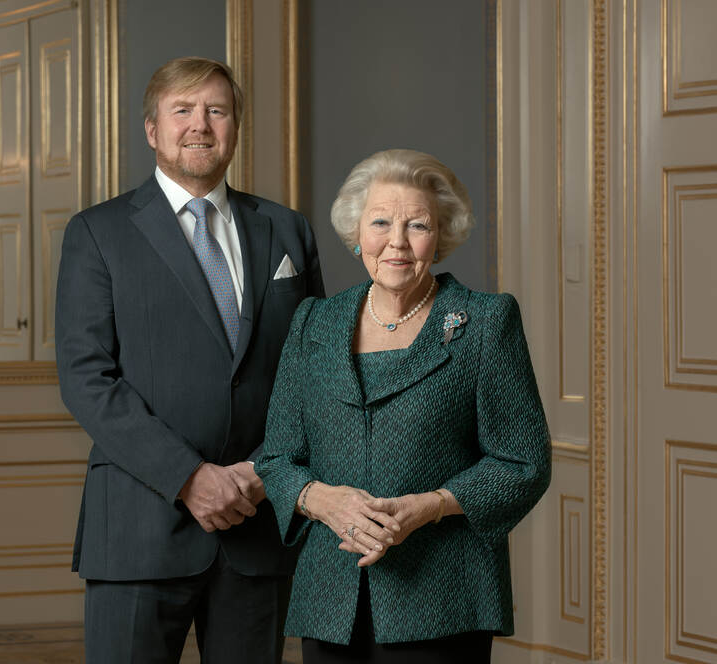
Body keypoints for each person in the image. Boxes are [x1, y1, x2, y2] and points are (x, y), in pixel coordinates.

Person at [55, 56, 324, 663]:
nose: (200, 124)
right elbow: (86, 378)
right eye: (183, 110)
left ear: (234, 126)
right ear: (152, 129)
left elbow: (315, 372)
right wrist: (189, 478)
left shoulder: (286, 231)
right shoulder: (98, 233)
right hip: (139, 527)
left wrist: (262, 472)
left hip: (258, 524)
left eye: (217, 110)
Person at [256, 149, 551, 663]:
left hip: (442, 598)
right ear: (356, 233)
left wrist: (431, 505)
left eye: (417, 225)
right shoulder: (314, 323)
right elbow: (276, 458)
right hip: (331, 600)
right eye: (380, 222)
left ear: (441, 236)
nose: (397, 241)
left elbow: (524, 463)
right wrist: (321, 500)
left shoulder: (484, 323)